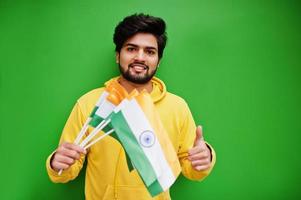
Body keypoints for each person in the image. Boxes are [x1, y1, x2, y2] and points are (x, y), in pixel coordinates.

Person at [46, 13, 216, 200]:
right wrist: (57, 163)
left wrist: (204, 157)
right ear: (118, 56)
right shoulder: (90, 103)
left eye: (150, 52)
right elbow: (66, 170)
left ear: (158, 61)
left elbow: (192, 170)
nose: (140, 57)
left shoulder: (177, 107)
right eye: (131, 49)